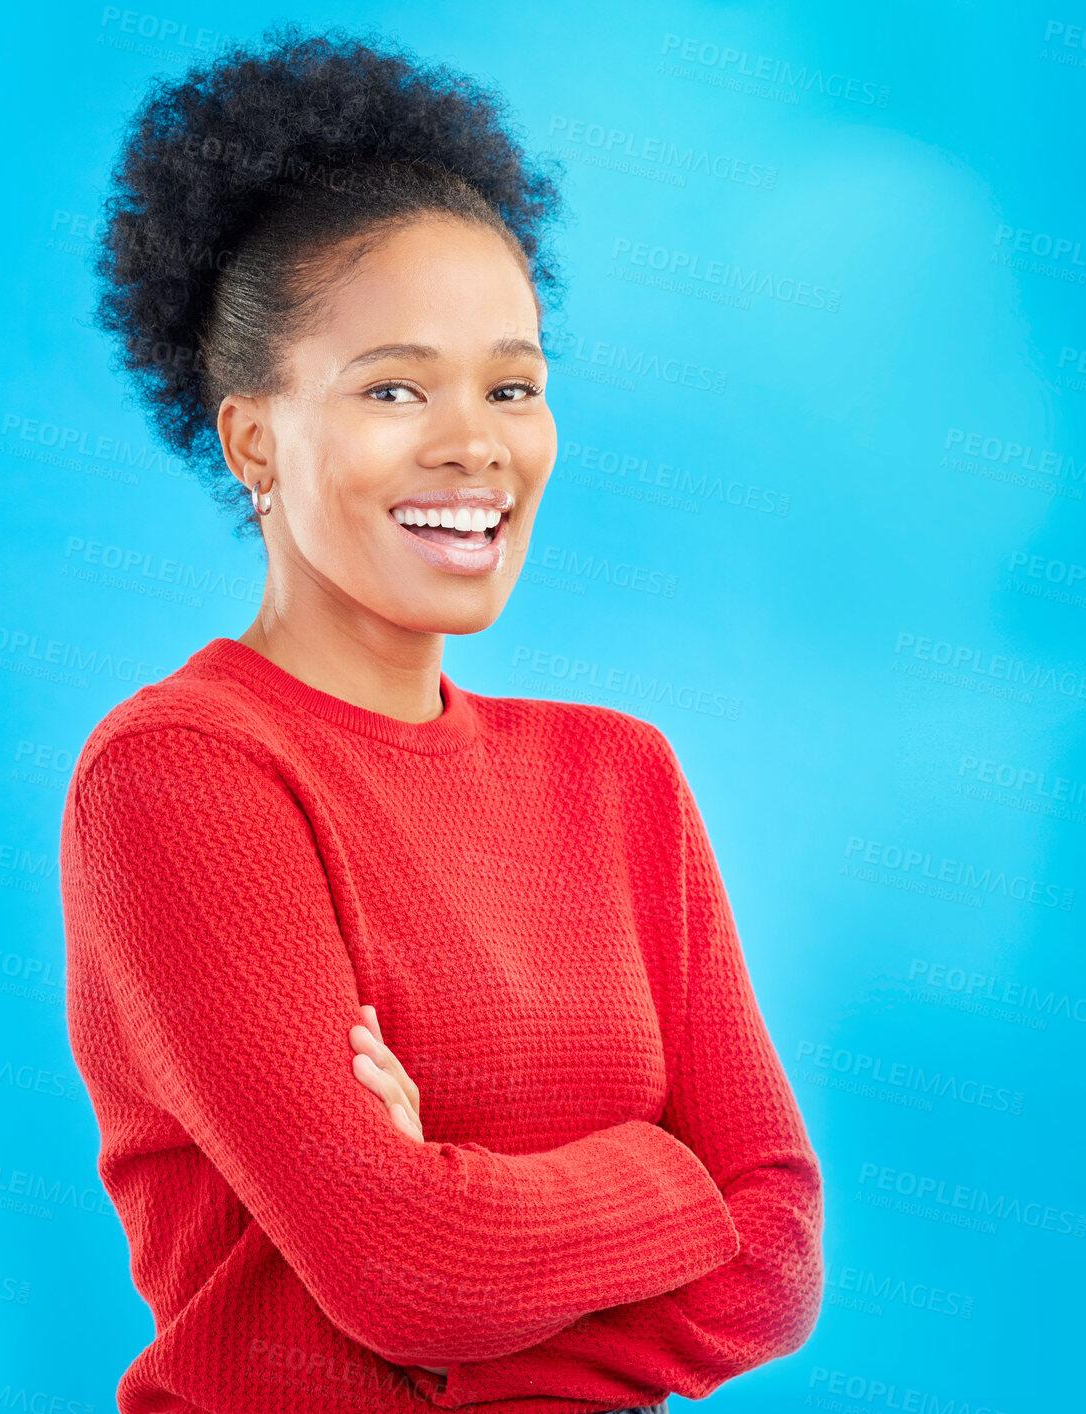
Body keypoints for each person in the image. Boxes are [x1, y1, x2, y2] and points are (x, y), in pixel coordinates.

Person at [61, 22, 823, 1414]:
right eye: (395, 386)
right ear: (252, 441)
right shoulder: (183, 774)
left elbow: (774, 1254)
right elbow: (407, 1264)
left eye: (512, 384)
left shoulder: (621, 777)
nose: (473, 441)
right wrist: (658, 1175)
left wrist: (483, 1225)